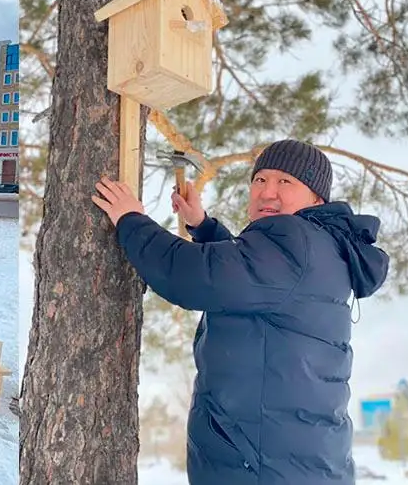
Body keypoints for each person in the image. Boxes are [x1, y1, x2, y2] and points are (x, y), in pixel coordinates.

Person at [92, 139, 389, 485]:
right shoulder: (324, 247)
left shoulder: (295, 240)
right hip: (296, 464)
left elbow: (189, 276)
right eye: (260, 180)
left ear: (316, 199)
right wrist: (204, 227)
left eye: (285, 182)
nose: (267, 192)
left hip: (260, 467)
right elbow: (250, 280)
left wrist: (130, 219)